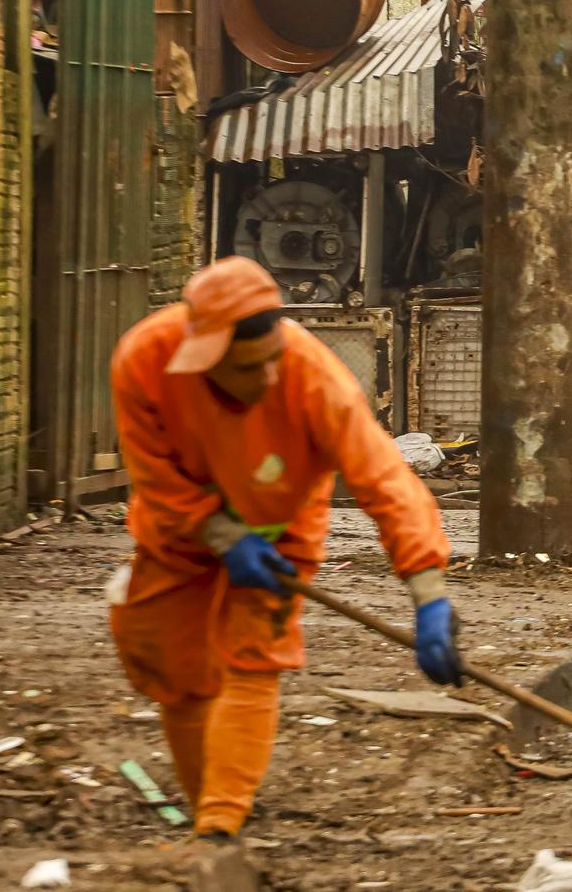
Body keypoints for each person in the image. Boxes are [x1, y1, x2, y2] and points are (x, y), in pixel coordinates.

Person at [108, 256, 458, 853]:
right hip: (180, 532)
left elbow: (388, 485)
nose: (267, 378)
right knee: (176, 673)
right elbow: (153, 473)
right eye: (249, 367)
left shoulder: (315, 379)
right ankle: (206, 805)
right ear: (207, 355)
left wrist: (428, 594)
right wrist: (220, 535)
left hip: (279, 533)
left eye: (272, 359)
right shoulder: (145, 360)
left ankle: (221, 823)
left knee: (253, 661)